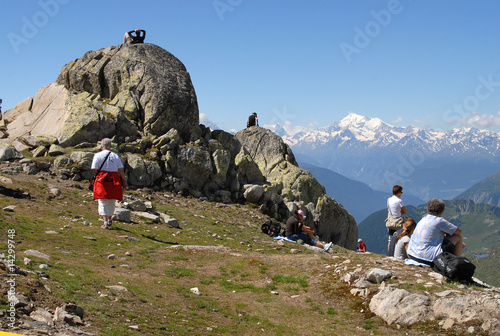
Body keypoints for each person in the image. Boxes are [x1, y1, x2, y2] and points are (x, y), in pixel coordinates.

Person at [406, 198, 466, 267]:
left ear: (428, 208)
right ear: (442, 210)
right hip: (427, 259)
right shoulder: (439, 221)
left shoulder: (423, 219)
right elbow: (459, 232)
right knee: (458, 238)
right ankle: (454, 266)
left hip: (412, 255)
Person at [91, 138, 127, 229]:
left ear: (101, 146)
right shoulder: (115, 156)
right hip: (114, 178)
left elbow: (94, 168)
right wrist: (124, 181)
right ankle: (110, 219)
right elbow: (120, 170)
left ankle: (105, 221)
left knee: (103, 200)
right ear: (110, 146)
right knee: (112, 200)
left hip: (102, 178)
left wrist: (99, 175)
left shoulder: (97, 155)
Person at [386, 185, 407, 252]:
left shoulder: (389, 200)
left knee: (390, 239)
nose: (401, 193)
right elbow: (405, 211)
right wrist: (401, 212)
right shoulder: (399, 201)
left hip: (390, 221)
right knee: (399, 238)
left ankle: (390, 253)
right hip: (398, 222)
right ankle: (398, 253)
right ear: (399, 192)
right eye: (401, 192)